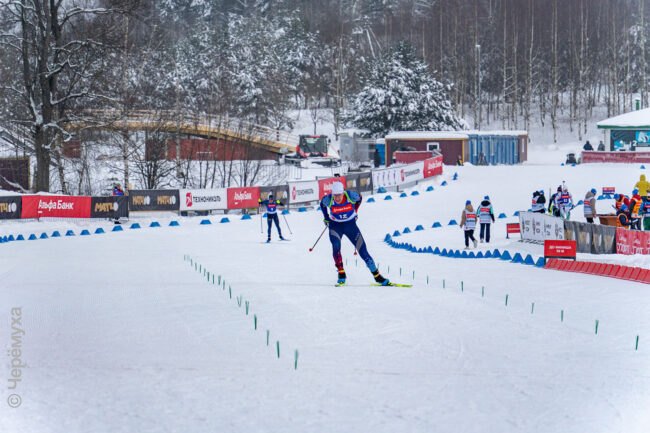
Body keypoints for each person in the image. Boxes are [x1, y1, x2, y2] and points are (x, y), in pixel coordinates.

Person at [320, 181, 389, 286]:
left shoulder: (351, 196)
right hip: (335, 226)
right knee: (336, 247)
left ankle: (377, 276)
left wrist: (355, 210)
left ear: (343, 192)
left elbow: (360, 198)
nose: (337, 198)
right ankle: (341, 274)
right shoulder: (328, 199)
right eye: (335, 195)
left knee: (363, 250)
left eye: (339, 195)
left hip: (350, 226)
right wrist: (326, 218)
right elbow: (322, 204)